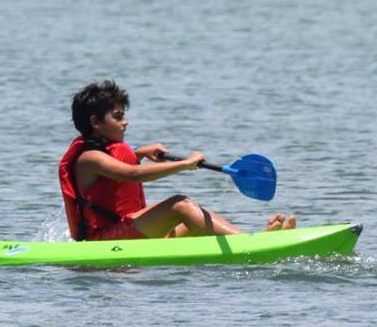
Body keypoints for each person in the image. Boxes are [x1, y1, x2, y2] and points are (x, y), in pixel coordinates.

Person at [58, 79, 293, 240]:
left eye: (124, 115)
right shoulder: (89, 158)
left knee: (194, 220)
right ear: (95, 123)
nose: (125, 122)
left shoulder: (101, 153)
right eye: (118, 117)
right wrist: (184, 164)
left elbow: (121, 166)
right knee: (179, 205)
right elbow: (131, 174)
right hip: (105, 240)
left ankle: (255, 240)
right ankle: (250, 243)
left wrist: (140, 153)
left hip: (123, 227)